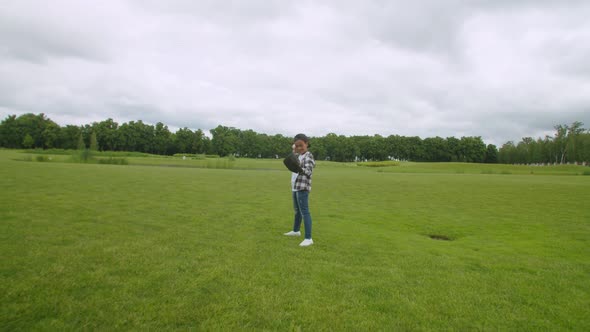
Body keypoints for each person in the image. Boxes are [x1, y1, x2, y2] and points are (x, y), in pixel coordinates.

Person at [284, 134, 316, 246]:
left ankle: (308, 238)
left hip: (302, 187)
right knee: (297, 211)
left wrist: (298, 168)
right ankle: (296, 231)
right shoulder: (298, 155)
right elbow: (291, 156)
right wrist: (294, 149)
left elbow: (308, 172)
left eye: (301, 145)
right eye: (296, 146)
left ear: (306, 144)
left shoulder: (308, 156)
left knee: (304, 212)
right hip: (295, 186)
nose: (298, 148)